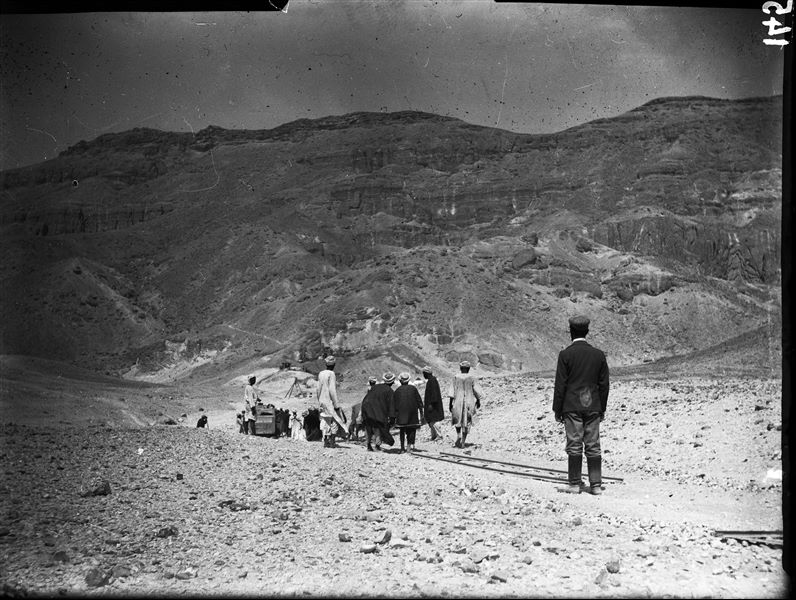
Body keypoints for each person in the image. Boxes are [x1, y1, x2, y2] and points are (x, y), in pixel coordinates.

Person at [553, 315, 610, 495]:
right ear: (587, 331)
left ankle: (575, 484)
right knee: (593, 444)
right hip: (593, 405)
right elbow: (604, 385)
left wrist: (557, 408)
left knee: (574, 444)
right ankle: (596, 485)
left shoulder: (565, 355)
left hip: (571, 405)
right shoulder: (599, 355)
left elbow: (560, 385)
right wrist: (602, 408)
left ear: (571, 331)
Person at [448, 360, 484, 449]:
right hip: (469, 401)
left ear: (460, 368)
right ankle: (463, 441)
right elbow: (476, 390)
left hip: (458, 401)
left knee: (457, 419)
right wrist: (478, 400)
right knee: (467, 421)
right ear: (469, 368)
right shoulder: (472, 377)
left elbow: (452, 391)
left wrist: (450, 403)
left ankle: (458, 435)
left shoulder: (456, 377)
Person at [316, 355, 347, 448]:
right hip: (330, 402)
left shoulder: (321, 373)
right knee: (334, 422)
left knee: (325, 421)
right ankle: (332, 442)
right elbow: (332, 390)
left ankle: (325, 441)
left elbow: (318, 389)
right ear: (334, 365)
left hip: (322, 401)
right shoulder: (331, 374)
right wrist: (336, 404)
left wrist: (319, 400)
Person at [361, 372, 396, 451]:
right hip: (377, 411)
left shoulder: (376, 387)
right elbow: (391, 405)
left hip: (365, 407)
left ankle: (369, 445)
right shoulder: (389, 391)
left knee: (368, 427)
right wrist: (392, 417)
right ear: (392, 382)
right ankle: (377, 445)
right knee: (378, 427)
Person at [391, 372, 424, 453]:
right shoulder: (413, 389)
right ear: (408, 380)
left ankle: (402, 448)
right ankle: (409, 447)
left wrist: (393, 416)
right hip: (412, 414)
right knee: (411, 430)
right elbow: (419, 401)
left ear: (400, 381)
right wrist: (421, 413)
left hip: (401, 414)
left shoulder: (397, 391)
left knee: (402, 430)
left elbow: (394, 404)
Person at [421, 366, 444, 442]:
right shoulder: (431, 380)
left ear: (426, 373)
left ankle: (439, 435)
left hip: (433, 405)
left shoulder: (432, 381)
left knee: (435, 420)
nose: (423, 375)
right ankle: (434, 436)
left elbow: (434, 394)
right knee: (431, 420)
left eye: (424, 373)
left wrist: (431, 404)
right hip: (431, 404)